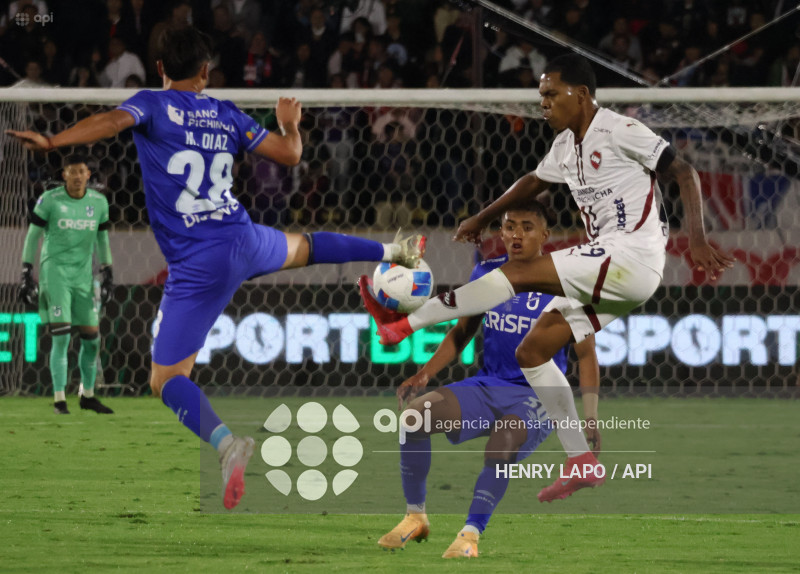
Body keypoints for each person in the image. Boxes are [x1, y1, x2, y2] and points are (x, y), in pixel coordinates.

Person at [7, 26, 425, 510]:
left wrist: (53, 141)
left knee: (166, 379)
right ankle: (393, 252)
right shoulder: (226, 113)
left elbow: (110, 121)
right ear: (206, 72)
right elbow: (291, 155)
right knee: (306, 247)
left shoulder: (152, 104)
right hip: (244, 237)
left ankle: (227, 445)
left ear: (159, 68)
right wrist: (290, 124)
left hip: (198, 260)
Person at [360, 53, 734, 502]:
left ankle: (403, 324)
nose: (544, 103)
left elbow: (684, 172)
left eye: (552, 94)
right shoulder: (564, 147)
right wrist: (482, 217)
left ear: (581, 94)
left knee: (517, 272)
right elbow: (532, 182)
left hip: (631, 254)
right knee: (533, 350)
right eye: (542, 95)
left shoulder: (621, 129)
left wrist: (697, 239)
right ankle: (581, 461)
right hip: (617, 272)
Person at [378, 201, 600, 558]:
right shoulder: (487, 273)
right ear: (501, 232)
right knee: (414, 418)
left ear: (545, 235)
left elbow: (586, 355)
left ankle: (470, 534)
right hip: (488, 385)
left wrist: (589, 416)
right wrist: (425, 374)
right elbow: (461, 332)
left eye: (527, 227)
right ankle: (415, 517)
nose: (517, 234)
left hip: (537, 397)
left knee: (502, 444)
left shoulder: (565, 284)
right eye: (510, 226)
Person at [19, 154, 115, 415]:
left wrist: (107, 271)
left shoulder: (99, 202)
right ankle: (59, 400)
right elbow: (32, 236)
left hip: (83, 278)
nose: (77, 176)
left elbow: (102, 239)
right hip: (55, 275)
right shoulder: (50, 200)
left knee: (92, 340)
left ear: (88, 174)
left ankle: (88, 396)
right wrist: (26, 272)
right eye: (72, 172)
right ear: (64, 175)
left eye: (81, 171)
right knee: (61, 338)